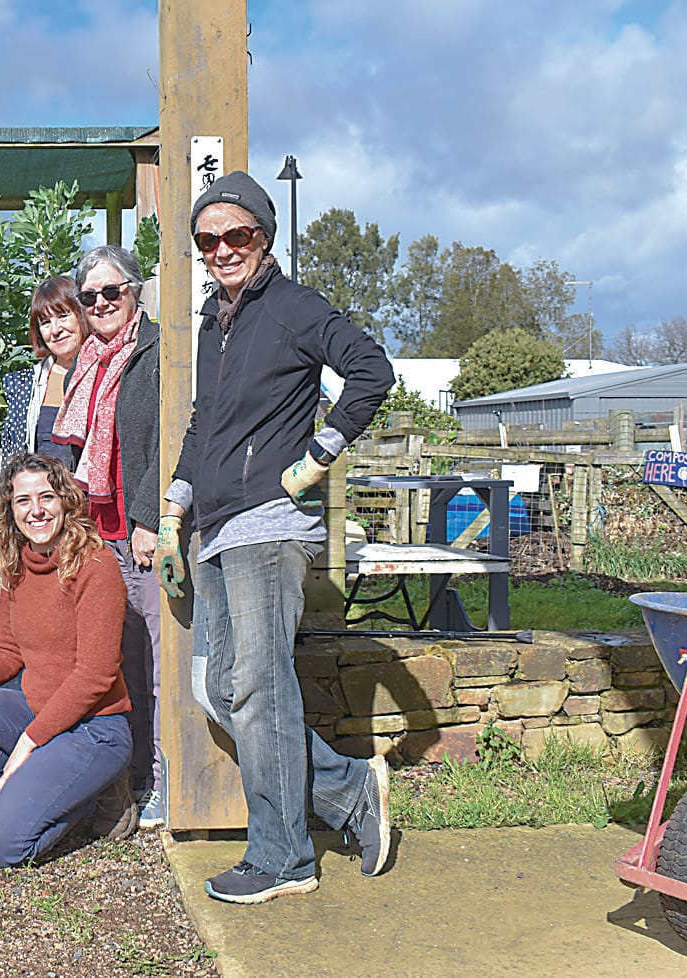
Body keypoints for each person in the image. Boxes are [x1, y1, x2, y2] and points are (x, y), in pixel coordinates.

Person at [153, 171, 396, 904]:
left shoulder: (292, 308)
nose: (222, 249)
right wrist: (173, 511)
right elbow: (205, 424)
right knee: (219, 690)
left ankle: (284, 858)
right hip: (216, 528)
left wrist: (317, 457)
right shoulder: (212, 320)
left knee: (257, 688)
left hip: (268, 525)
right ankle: (348, 789)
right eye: (207, 240)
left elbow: (370, 371)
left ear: (263, 235)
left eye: (237, 235)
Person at [0, 453, 133, 867]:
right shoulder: (18, 565)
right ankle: (21, 796)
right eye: (23, 501)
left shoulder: (97, 565)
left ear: (66, 501)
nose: (36, 510)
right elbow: (7, 651)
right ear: (10, 509)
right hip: (37, 711)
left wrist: (28, 742)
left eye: (47, 497)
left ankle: (89, 797)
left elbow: (96, 673)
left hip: (94, 729)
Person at [51, 245, 164, 833]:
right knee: (118, 656)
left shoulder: (157, 353)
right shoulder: (87, 363)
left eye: (110, 292)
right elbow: (76, 454)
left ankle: (167, 777)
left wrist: (149, 517)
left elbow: (170, 442)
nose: (99, 304)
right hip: (98, 531)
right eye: (89, 296)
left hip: (139, 530)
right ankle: (135, 774)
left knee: (156, 655)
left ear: (136, 291)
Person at [0, 276, 87, 470]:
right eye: (45, 322)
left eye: (63, 316)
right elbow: (11, 462)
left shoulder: (106, 374)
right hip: (41, 497)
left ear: (82, 315)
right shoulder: (25, 386)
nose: (56, 330)